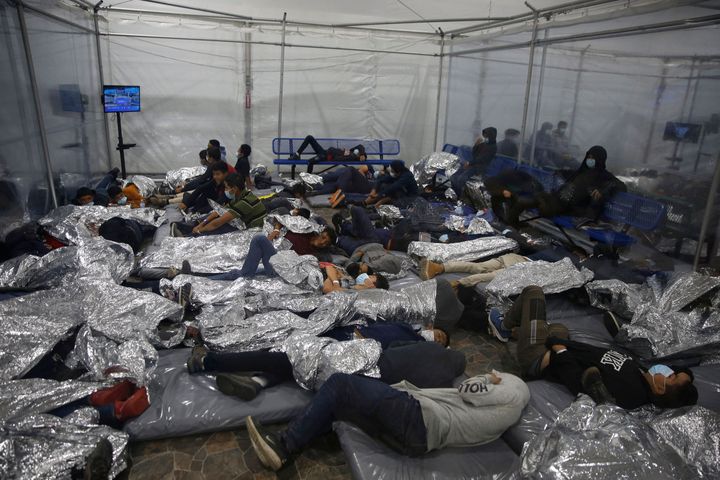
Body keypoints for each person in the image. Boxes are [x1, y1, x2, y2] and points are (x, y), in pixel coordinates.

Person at [245, 368, 529, 471]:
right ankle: (290, 443)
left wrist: (489, 379)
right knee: (341, 405)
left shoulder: (512, 395)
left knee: (340, 383)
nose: (494, 375)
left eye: (498, 376)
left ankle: (284, 444)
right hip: (415, 437)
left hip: (419, 417)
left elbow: (469, 391)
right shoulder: (504, 415)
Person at [486, 285, 698, 410]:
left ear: (660, 389)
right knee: (557, 327)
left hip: (540, 358)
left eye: (671, 378)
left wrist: (560, 350)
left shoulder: (630, 391)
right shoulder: (643, 375)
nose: (670, 373)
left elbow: (580, 380)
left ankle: (504, 327)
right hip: (558, 347)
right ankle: (522, 331)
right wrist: (684, 375)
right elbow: (681, 373)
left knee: (533, 293)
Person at [186, 327, 461, 400]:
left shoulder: (416, 348)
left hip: (352, 358)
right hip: (354, 359)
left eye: (439, 341)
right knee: (292, 365)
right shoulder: (432, 374)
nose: (435, 339)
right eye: (436, 334)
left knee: (282, 355)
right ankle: (258, 382)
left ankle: (208, 361)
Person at [505, 145, 626, 227]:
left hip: (569, 207)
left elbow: (620, 185)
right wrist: (560, 172)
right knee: (524, 200)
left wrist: (603, 190)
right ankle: (512, 226)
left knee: (532, 200)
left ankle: (512, 226)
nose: (590, 160)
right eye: (588, 157)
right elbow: (571, 174)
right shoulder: (582, 170)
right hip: (559, 199)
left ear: (600, 160)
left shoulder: (603, 175)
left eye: (593, 158)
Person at [171, 173, 267, 236]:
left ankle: (188, 237)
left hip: (252, 231)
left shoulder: (245, 202)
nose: (225, 190)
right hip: (242, 222)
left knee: (219, 227)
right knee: (211, 216)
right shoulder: (240, 196)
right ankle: (186, 228)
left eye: (226, 187)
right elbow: (218, 212)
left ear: (234, 189)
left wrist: (201, 230)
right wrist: (202, 224)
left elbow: (219, 222)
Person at [418, 253, 530, 288]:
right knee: (489, 276)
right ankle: (456, 284)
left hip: (515, 258)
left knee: (477, 267)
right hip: (523, 265)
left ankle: (437, 267)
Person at [450, 127, 497, 197]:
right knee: (453, 175)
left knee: (462, 178)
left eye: (486, 135)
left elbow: (482, 159)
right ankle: (455, 191)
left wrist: (470, 163)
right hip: (473, 164)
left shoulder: (493, 147)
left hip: (480, 167)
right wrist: (476, 145)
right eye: (484, 135)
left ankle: (459, 196)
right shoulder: (484, 144)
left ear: (491, 136)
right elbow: (474, 154)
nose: (484, 137)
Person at [289, 135, 367, 173]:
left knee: (310, 161)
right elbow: (360, 146)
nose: (358, 154)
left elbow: (337, 159)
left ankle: (307, 180)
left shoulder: (351, 157)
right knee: (309, 137)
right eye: (361, 155)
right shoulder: (353, 151)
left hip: (325, 156)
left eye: (361, 156)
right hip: (324, 152)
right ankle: (297, 154)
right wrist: (362, 153)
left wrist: (353, 155)